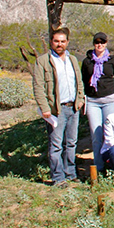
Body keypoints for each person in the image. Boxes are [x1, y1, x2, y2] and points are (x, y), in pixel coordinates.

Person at [32, 27, 84, 188]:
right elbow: (38, 86)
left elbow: (79, 81)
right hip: (56, 110)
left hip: (73, 107)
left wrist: (80, 99)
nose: (59, 44)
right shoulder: (43, 61)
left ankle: (70, 173)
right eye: (56, 41)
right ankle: (58, 177)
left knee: (71, 143)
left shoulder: (72, 59)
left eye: (62, 41)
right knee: (56, 144)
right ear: (51, 42)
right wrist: (44, 107)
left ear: (67, 42)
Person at [81, 32, 114, 172]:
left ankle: (112, 165)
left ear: (106, 43)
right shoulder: (87, 61)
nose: (100, 45)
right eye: (97, 42)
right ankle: (99, 167)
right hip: (93, 100)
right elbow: (83, 81)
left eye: (102, 42)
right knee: (96, 134)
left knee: (109, 133)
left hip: (110, 99)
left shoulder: (112, 60)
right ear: (93, 43)